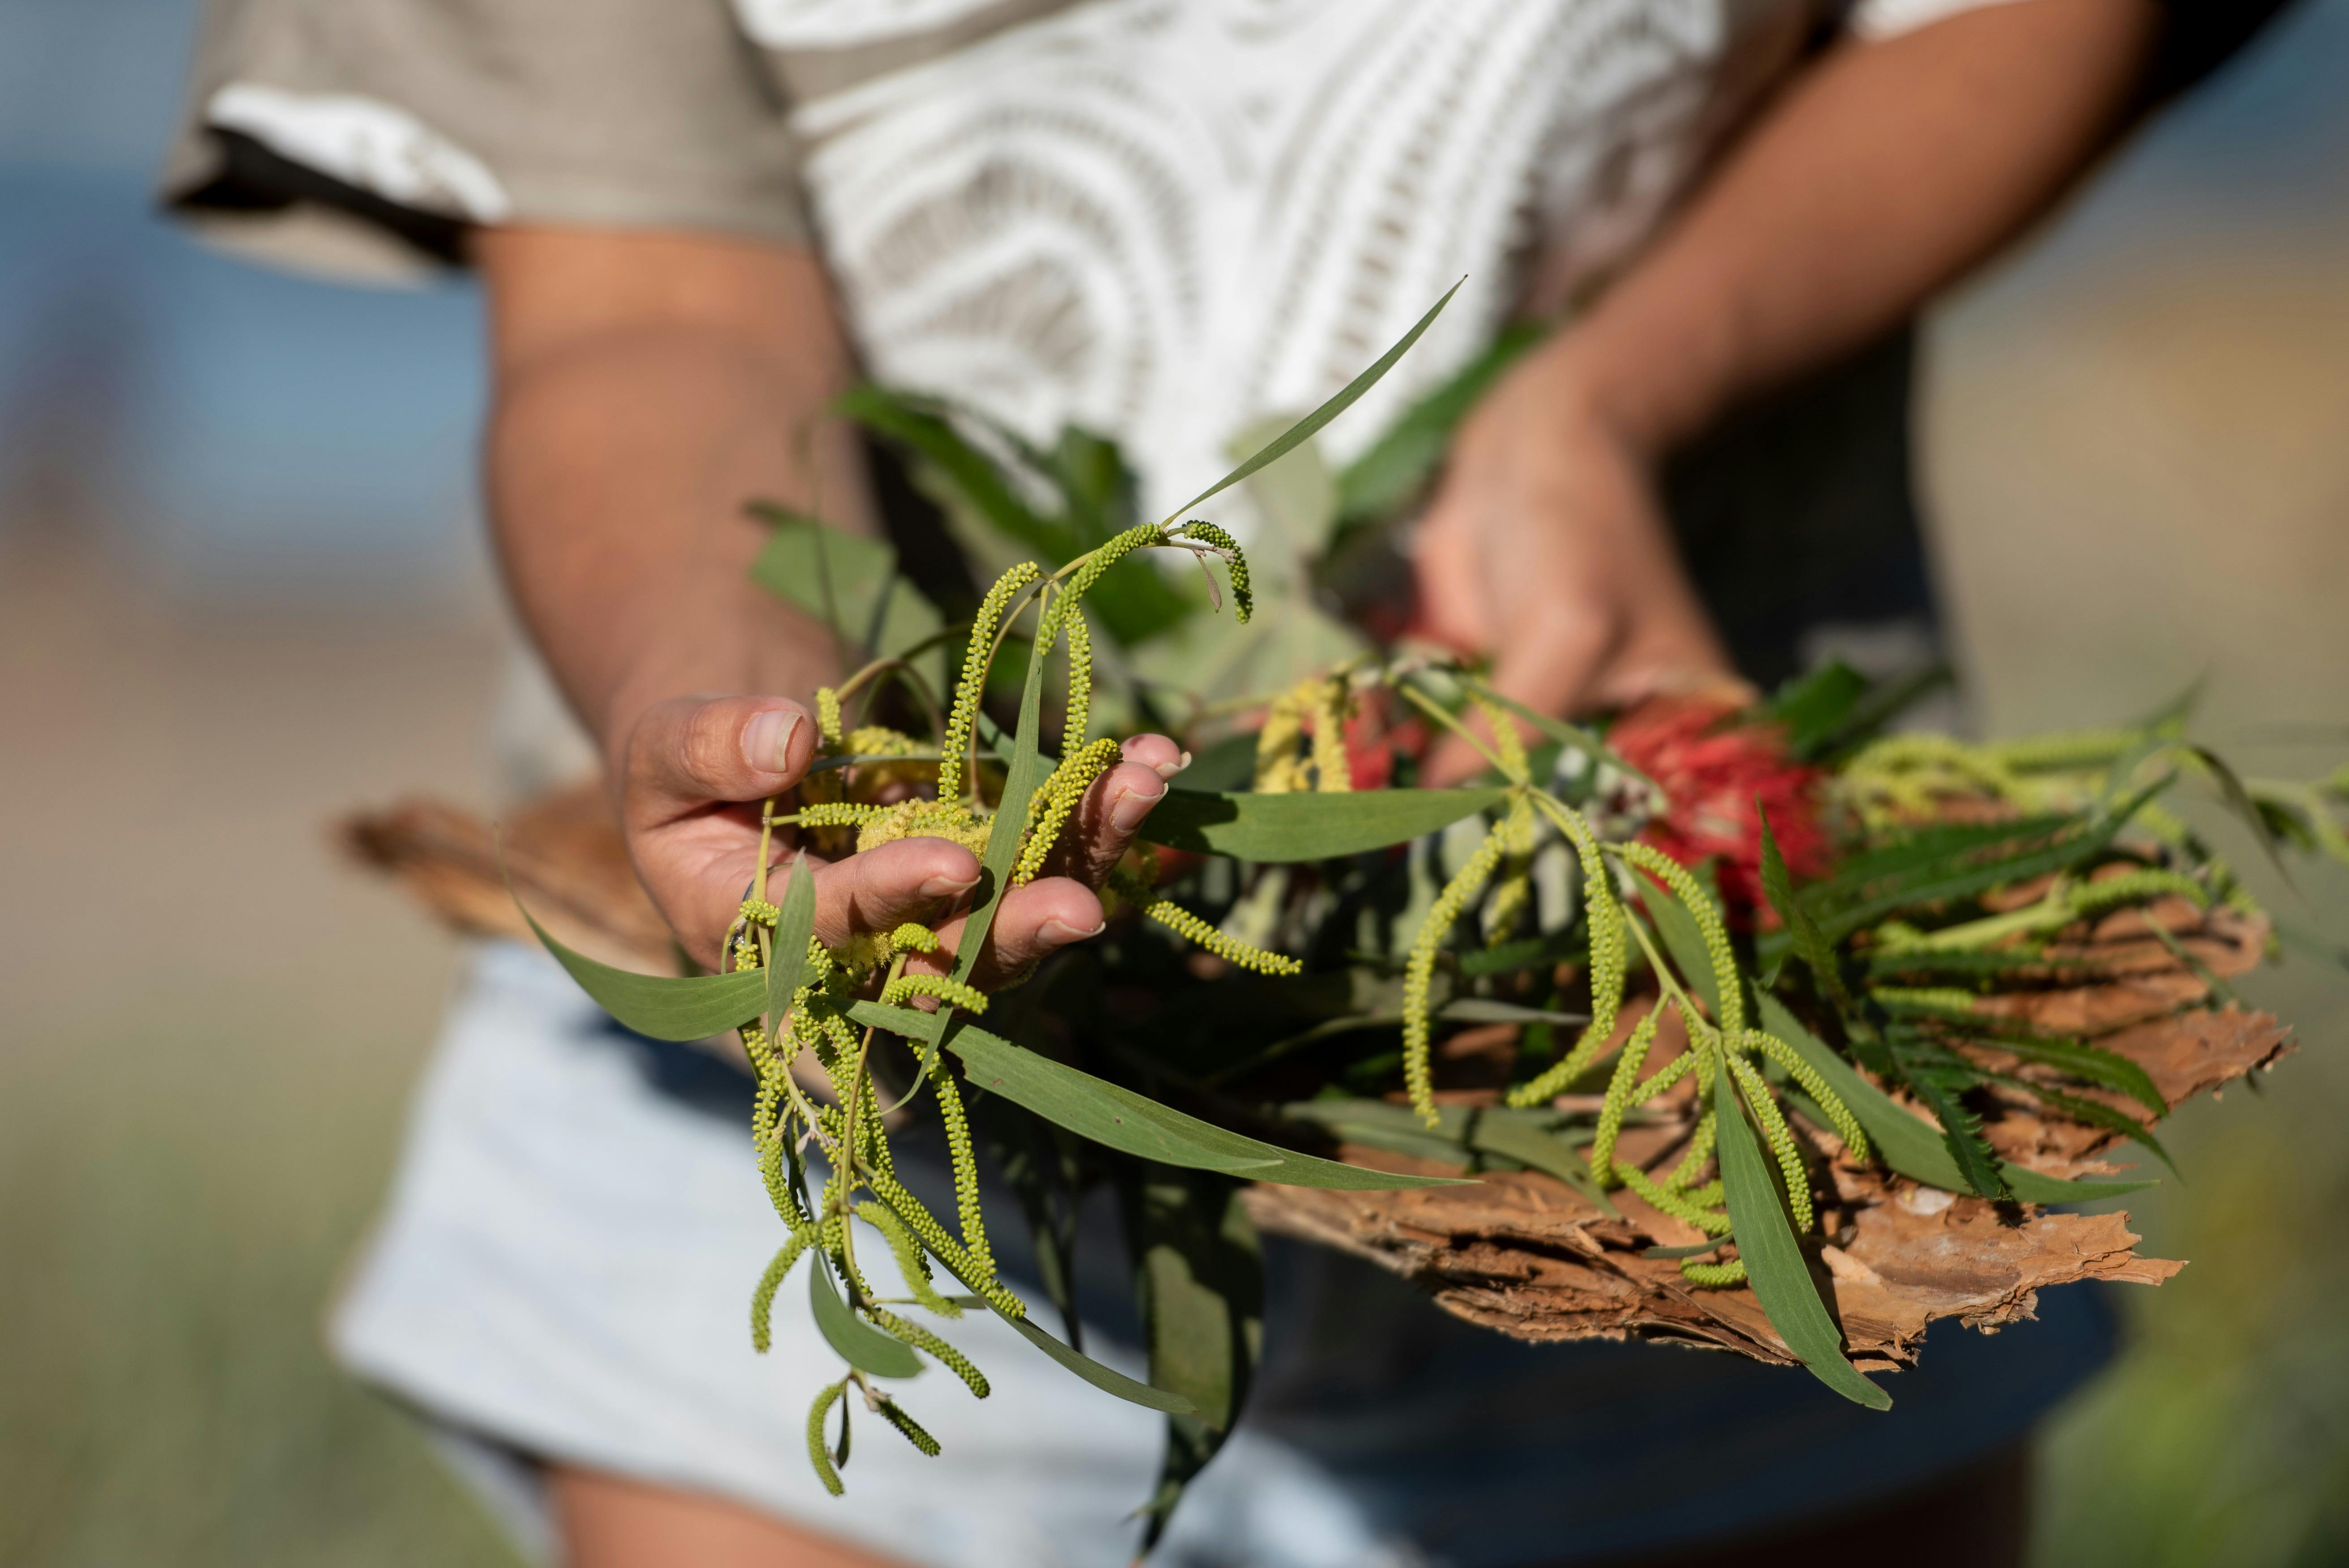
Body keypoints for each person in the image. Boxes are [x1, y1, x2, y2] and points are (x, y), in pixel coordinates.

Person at [162, 2, 2285, 1564]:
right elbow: (640, 290)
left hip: (1684, 1070)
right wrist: (748, 714)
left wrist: (1613, 397)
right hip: (841, 1088)